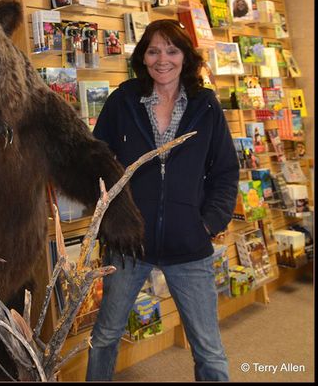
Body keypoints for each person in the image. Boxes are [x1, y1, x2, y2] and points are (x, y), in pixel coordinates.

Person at [86, 19, 239, 381]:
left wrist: (207, 223)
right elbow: (95, 164)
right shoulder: (123, 100)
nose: (162, 59)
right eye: (153, 50)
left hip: (189, 245)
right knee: (105, 336)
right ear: (143, 57)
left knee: (209, 350)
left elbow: (225, 172)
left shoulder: (205, 105)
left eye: (172, 50)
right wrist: (113, 219)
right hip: (128, 244)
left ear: (186, 56)